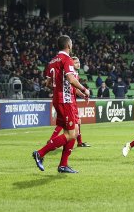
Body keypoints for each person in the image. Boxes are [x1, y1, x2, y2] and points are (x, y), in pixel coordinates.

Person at [32, 36, 91, 173]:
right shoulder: (66, 59)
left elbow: (47, 83)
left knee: (73, 131)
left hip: (59, 99)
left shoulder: (52, 61)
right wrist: (84, 89)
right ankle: (40, 153)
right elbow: (70, 79)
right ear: (69, 46)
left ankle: (63, 165)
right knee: (71, 134)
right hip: (66, 100)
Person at [46, 56, 90, 148]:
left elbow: (74, 88)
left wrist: (82, 95)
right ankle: (52, 141)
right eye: (76, 62)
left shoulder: (75, 74)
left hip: (72, 100)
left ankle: (79, 142)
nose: (78, 64)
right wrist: (83, 92)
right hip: (68, 100)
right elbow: (71, 87)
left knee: (76, 122)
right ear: (71, 64)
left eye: (79, 62)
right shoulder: (70, 74)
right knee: (68, 122)